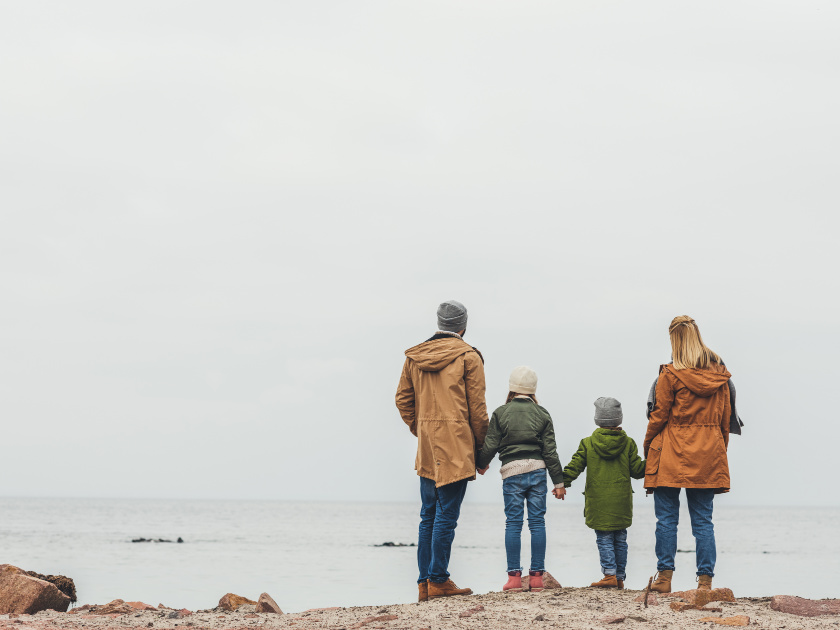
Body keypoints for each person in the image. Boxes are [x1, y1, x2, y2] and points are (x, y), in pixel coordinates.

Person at [395, 300, 489, 602]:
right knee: (446, 515)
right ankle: (438, 580)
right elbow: (478, 410)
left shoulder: (414, 357)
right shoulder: (469, 357)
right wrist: (480, 451)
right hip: (457, 444)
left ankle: (424, 583)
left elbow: (402, 401)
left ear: (439, 323)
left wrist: (421, 429)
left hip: (427, 445)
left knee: (428, 515)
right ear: (463, 326)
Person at [644, 315, 733, 593]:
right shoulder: (720, 374)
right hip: (708, 451)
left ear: (675, 340)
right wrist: (718, 449)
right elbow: (725, 419)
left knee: (667, 519)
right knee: (703, 521)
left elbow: (658, 417)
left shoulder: (669, 374)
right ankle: (705, 582)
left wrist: (647, 445)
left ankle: (664, 579)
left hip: (671, 451)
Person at [476, 366, 566, 593]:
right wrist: (559, 483)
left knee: (513, 524)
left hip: (512, 473)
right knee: (537, 523)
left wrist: (481, 463)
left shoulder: (501, 413)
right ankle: (536, 578)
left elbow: (491, 445)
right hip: (537, 472)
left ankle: (514, 579)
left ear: (512, 388)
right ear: (533, 390)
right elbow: (550, 452)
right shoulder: (543, 414)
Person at [562, 397, 646, 589]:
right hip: (621, 501)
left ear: (597, 419)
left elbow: (575, 467)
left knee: (604, 538)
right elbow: (638, 471)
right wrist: (654, 461)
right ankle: (620, 577)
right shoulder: (629, 443)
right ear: (619, 419)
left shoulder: (588, 443)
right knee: (621, 539)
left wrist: (562, 483)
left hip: (598, 501)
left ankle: (609, 575)